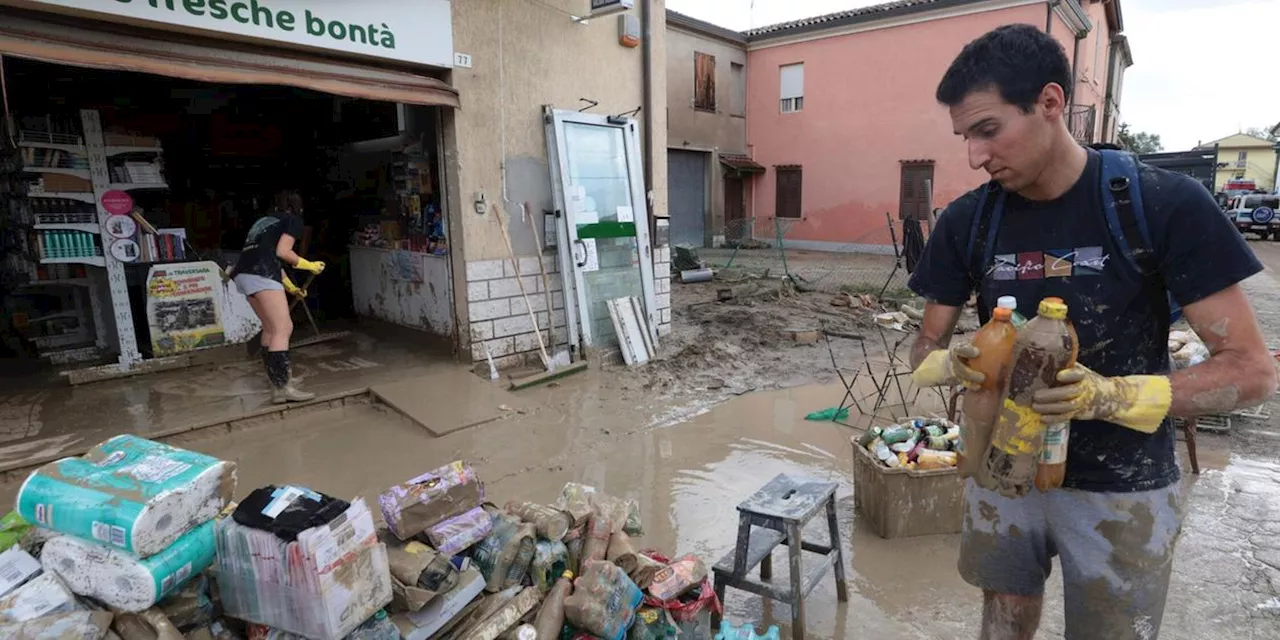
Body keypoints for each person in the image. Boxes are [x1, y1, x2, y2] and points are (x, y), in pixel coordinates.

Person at [907, 25, 1277, 639]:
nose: (974, 155)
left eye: (988, 130)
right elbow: (923, 345)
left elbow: (1252, 371)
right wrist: (947, 364)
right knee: (1002, 619)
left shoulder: (1160, 205)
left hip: (1120, 487)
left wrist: (1112, 396)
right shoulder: (968, 221)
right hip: (1002, 472)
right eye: (965, 136)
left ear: (1050, 103)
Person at [228, 190, 325, 404]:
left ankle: (277, 378)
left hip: (244, 275)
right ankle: (282, 388)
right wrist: (309, 265)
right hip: (261, 274)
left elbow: (268, 256)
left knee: (271, 328)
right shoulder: (293, 220)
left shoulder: (264, 222)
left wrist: (291, 288)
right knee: (283, 328)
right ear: (297, 207)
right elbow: (283, 252)